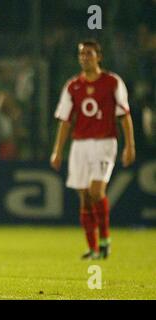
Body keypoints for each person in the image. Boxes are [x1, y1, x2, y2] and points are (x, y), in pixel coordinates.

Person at [50, 40, 136, 260]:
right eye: (81, 54)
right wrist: (58, 150)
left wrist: (130, 145)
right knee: (84, 197)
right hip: (80, 145)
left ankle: (105, 241)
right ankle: (93, 248)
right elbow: (66, 121)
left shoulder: (112, 82)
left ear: (99, 56)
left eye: (89, 53)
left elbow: (124, 115)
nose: (84, 57)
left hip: (105, 142)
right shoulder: (72, 86)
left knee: (96, 191)